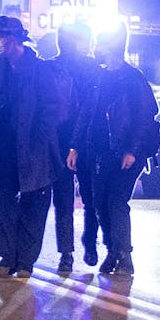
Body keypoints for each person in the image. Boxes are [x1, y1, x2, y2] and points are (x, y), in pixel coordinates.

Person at [68, 24, 158, 277]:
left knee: (117, 201)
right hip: (99, 152)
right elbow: (85, 114)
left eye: (101, 44)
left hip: (126, 154)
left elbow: (145, 117)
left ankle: (125, 256)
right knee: (100, 203)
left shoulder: (133, 79)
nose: (97, 49)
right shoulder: (99, 77)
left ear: (112, 47)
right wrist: (75, 146)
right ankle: (112, 251)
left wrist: (132, 150)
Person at [0, 15, 63, 280]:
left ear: (13, 39)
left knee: (32, 206)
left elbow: (52, 110)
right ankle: (8, 256)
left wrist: (38, 141)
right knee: (3, 202)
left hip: (33, 149)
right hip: (2, 148)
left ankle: (25, 261)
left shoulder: (39, 71)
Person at [49, 21, 102, 272]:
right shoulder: (91, 69)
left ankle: (68, 252)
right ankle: (84, 246)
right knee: (87, 199)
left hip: (65, 140)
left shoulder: (53, 67)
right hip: (83, 141)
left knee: (66, 200)